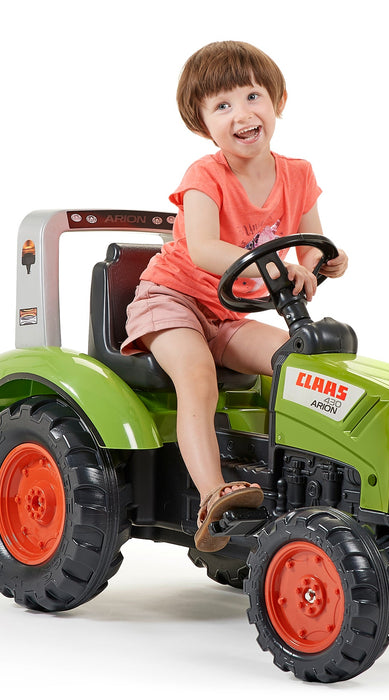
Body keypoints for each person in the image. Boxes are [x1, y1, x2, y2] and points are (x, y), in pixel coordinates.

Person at [121, 41, 348, 552]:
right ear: (202, 123)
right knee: (197, 376)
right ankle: (213, 495)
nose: (242, 114)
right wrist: (276, 266)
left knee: (301, 364)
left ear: (278, 101)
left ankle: (305, 483)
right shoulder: (205, 176)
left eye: (252, 96)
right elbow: (202, 248)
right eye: (222, 105)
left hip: (229, 313)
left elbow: (310, 243)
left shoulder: (298, 174)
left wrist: (321, 262)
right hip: (172, 300)